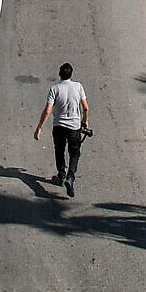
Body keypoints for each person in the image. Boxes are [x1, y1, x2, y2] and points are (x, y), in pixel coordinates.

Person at [32, 63, 89, 197]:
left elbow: (47, 110)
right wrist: (84, 120)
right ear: (71, 74)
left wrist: (39, 128)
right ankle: (70, 176)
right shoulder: (78, 86)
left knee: (59, 150)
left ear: (60, 74)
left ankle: (61, 175)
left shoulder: (54, 89)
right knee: (75, 153)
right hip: (74, 127)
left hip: (59, 127)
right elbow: (86, 108)